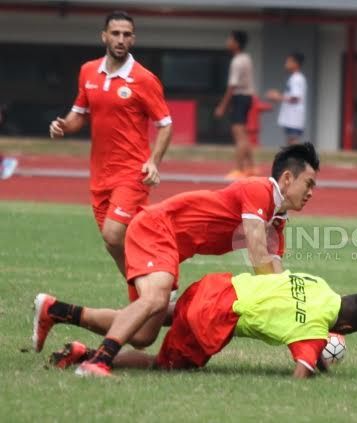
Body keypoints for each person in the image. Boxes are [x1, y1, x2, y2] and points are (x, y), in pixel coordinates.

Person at [32, 143, 320, 377]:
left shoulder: (278, 220)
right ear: (286, 179)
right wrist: (295, 311)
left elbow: (277, 281)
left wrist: (301, 319)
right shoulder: (259, 191)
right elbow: (259, 258)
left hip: (165, 245)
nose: (310, 193)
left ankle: (56, 311)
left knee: (144, 334)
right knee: (155, 300)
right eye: (308, 183)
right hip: (156, 228)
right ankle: (98, 363)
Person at [46, 271, 357, 379]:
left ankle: (61, 310)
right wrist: (319, 366)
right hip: (216, 317)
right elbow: (302, 370)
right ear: (343, 330)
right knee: (164, 366)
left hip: (215, 285)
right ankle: (87, 354)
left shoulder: (316, 282)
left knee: (156, 313)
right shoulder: (316, 332)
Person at [48, 11, 172, 277]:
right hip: (100, 174)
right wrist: (63, 125)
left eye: (126, 35)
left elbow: (165, 123)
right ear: (104, 36)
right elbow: (79, 114)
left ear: (133, 39)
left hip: (132, 172)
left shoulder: (144, 79)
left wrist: (153, 161)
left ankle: (156, 281)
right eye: (115, 33)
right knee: (113, 243)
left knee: (114, 234)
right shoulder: (88, 71)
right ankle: (144, 288)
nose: (120, 39)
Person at [214, 30, 257, 179]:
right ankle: (251, 167)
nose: (228, 42)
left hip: (240, 97)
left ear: (236, 43)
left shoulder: (237, 61)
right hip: (246, 97)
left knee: (239, 135)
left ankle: (239, 169)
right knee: (243, 134)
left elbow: (232, 86)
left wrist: (222, 106)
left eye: (230, 39)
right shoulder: (247, 58)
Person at [266, 52, 307, 145]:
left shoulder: (297, 78)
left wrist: (277, 96)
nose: (286, 64)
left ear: (296, 63)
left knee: (293, 141)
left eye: (289, 61)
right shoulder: (294, 78)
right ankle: (292, 159)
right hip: (290, 116)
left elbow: (295, 98)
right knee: (290, 141)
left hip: (294, 116)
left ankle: (298, 159)